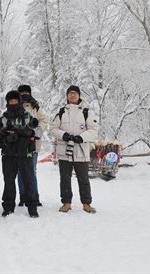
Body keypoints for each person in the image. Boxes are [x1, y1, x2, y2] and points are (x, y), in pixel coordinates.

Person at [50, 85, 98, 214]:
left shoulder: (86, 112)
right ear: (67, 96)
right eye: (70, 93)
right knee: (65, 179)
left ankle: (86, 204)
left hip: (81, 151)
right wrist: (63, 135)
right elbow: (53, 129)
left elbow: (94, 131)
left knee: (83, 179)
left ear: (79, 96)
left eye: (75, 93)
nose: (72, 95)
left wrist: (81, 138)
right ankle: (66, 203)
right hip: (64, 151)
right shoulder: (61, 112)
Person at [0, 90, 40, 218]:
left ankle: (32, 207)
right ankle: (8, 207)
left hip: (25, 153)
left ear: (19, 101)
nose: (13, 102)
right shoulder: (3, 117)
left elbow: (38, 131)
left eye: (15, 100)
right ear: (7, 102)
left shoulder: (27, 115)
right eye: (10, 101)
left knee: (29, 180)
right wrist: (3, 132)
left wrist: (26, 132)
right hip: (8, 154)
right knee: (9, 181)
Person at [16, 85, 47, 207]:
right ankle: (23, 196)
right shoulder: (15, 106)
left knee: (32, 171)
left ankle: (34, 196)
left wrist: (35, 131)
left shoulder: (36, 107)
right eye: (22, 92)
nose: (24, 94)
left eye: (26, 92)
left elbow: (44, 121)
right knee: (20, 171)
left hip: (33, 143)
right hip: (18, 144)